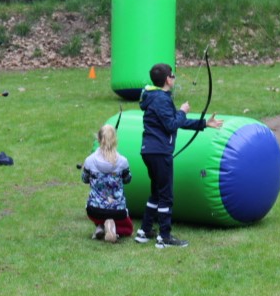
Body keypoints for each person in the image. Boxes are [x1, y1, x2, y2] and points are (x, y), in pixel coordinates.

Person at [135, 63, 223, 248]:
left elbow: (175, 120)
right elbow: (172, 125)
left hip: (149, 151)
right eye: (173, 75)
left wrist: (205, 123)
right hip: (159, 152)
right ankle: (164, 237)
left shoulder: (154, 97)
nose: (174, 78)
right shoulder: (161, 99)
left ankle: (145, 230)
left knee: (157, 192)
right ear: (168, 79)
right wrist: (182, 111)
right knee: (166, 196)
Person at [82, 124, 133, 243]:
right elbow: (127, 179)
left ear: (99, 139)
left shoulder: (90, 160)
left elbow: (84, 179)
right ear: (115, 140)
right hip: (118, 211)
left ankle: (100, 225)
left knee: (94, 203)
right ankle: (111, 227)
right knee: (128, 227)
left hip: (94, 210)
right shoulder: (122, 161)